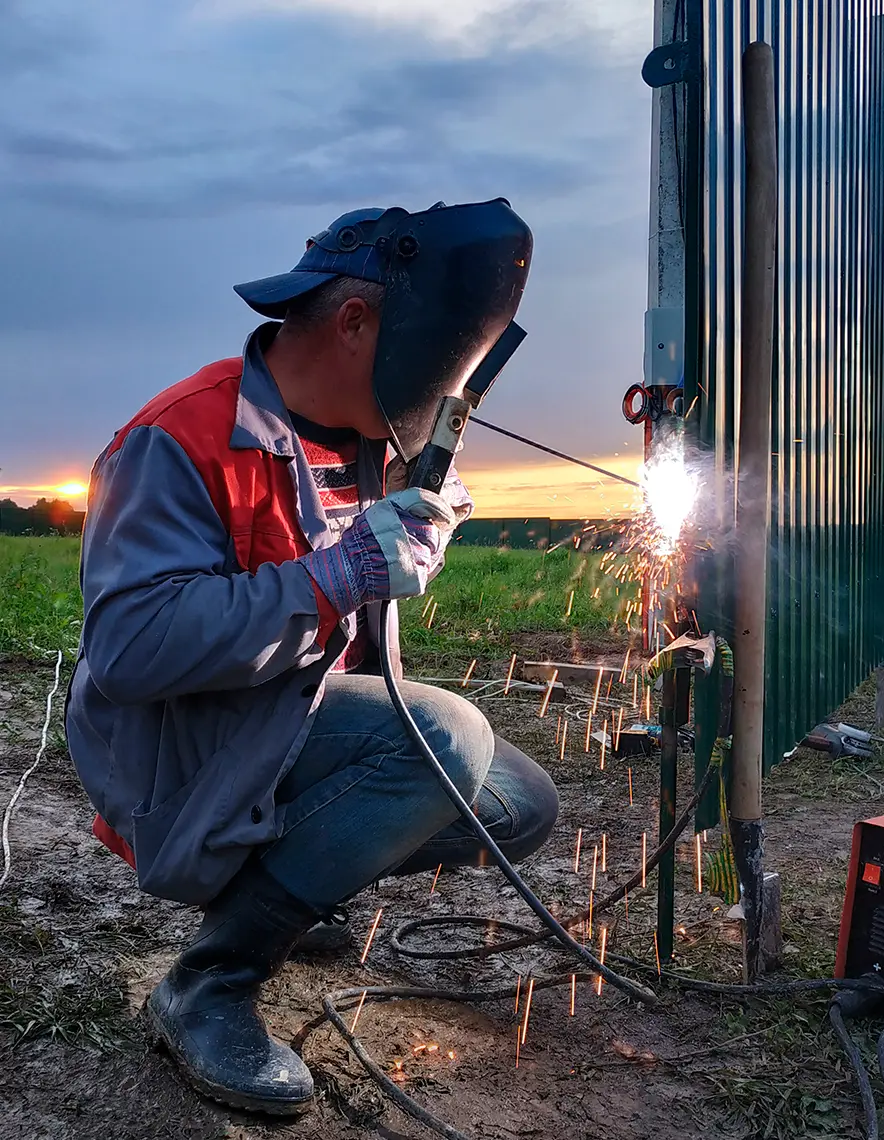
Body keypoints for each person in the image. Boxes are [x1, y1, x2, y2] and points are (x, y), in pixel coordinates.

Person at [65, 200, 557, 1116]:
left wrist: (415, 544)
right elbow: (131, 649)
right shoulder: (181, 437)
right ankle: (208, 984)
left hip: (284, 721)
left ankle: (288, 889)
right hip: (184, 753)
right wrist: (341, 573)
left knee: (516, 807)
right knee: (443, 740)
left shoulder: (375, 446)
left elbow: (348, 616)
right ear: (355, 322)